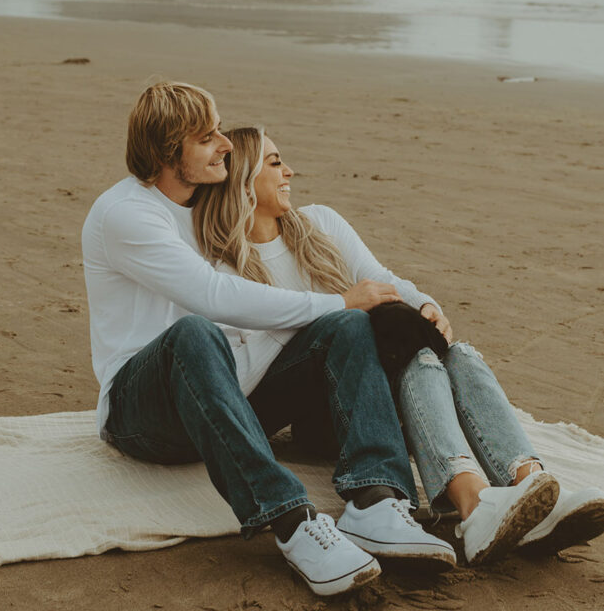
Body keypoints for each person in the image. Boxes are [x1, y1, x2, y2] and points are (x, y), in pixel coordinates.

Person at [82, 82, 460, 597]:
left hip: (225, 398)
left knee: (346, 328)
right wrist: (338, 300)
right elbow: (213, 295)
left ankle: (375, 500)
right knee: (194, 332)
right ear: (170, 150)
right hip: (142, 412)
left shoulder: (205, 208)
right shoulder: (127, 214)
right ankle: (293, 521)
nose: (224, 144)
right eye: (207, 137)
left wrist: (391, 304)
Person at [192, 126, 604, 567]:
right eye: (275, 163)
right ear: (244, 180)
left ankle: (530, 482)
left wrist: (427, 305)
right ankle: (473, 505)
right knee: (387, 335)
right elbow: (240, 380)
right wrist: (333, 312)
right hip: (326, 407)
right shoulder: (221, 271)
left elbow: (382, 276)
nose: (290, 170)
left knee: (451, 351)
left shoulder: (319, 223)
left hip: (370, 385)